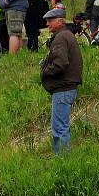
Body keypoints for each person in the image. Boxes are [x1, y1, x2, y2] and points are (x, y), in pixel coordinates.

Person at [40, 8, 83, 155]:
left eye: (50, 20)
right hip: (66, 87)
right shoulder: (67, 35)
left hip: (63, 88)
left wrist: (45, 72)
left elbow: (60, 63)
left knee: (59, 129)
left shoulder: (61, 37)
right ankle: (64, 160)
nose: (47, 24)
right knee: (61, 127)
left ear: (60, 21)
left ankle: (64, 162)